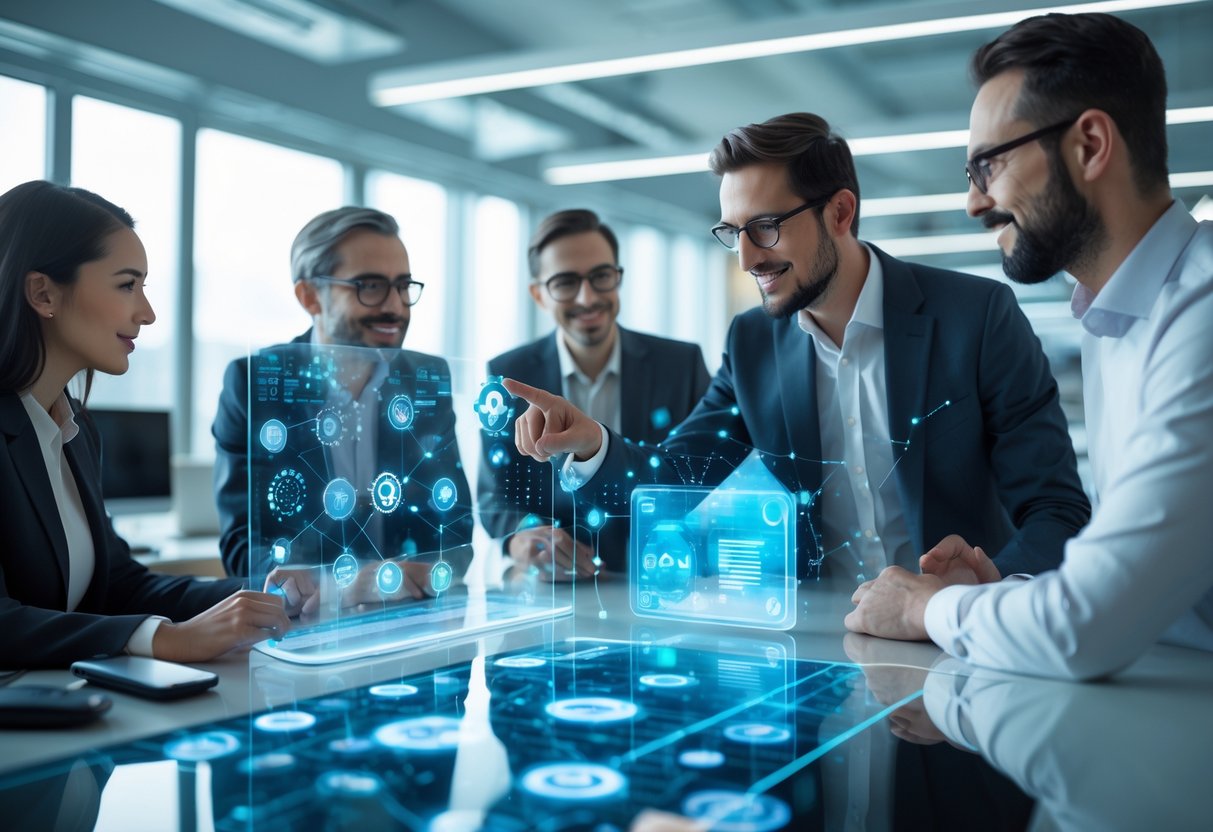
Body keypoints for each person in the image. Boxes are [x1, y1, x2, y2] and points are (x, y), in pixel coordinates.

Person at [506, 112, 1089, 585]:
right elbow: (679, 477)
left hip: (965, 643)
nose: (747, 258)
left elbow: (1056, 510)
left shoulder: (976, 317)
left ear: (840, 212)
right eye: (733, 233)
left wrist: (986, 592)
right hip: (822, 651)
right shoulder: (753, 342)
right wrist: (592, 444)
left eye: (765, 226)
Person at [844, 12, 1213, 680]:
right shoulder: (1115, 319)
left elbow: (1087, 626)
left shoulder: (1202, 311)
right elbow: (1127, 584)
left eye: (988, 164)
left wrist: (933, 607)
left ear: (1090, 145)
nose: (971, 203)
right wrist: (1002, 595)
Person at [0, 180, 289, 669]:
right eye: (126, 285)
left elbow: (120, 585)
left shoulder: (76, 433)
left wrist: (263, 592)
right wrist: (161, 640)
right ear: (43, 293)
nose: (148, 313)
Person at [212, 207, 473, 587]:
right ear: (310, 297)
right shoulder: (255, 384)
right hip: (307, 625)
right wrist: (332, 587)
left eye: (402, 286)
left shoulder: (426, 380)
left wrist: (408, 579)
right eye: (369, 286)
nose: (395, 307)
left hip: (410, 613)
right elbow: (242, 548)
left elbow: (456, 531)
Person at [478, 208, 711, 578]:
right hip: (555, 587)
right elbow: (494, 495)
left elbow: (705, 475)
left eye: (601, 276)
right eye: (566, 282)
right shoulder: (509, 375)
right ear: (539, 295)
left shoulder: (681, 365)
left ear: (618, 278)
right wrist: (521, 537)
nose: (588, 298)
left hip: (662, 578)